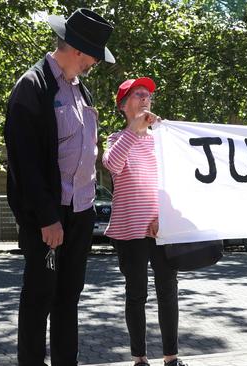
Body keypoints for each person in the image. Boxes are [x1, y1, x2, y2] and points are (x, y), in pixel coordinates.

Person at [4, 8, 115, 365]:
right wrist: (47, 217)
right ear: (79, 50)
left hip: (81, 213)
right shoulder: (32, 87)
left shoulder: (82, 90)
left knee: (69, 298)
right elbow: (25, 164)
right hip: (48, 219)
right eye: (94, 57)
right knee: (38, 299)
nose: (95, 64)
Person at [103, 77, 187, 366]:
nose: (145, 98)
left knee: (168, 292)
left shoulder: (162, 140)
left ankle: (171, 358)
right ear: (124, 106)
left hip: (161, 229)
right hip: (129, 231)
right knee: (136, 294)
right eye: (138, 95)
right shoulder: (116, 139)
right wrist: (133, 131)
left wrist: (164, 217)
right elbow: (112, 165)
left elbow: (175, 181)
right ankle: (140, 359)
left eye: (148, 95)